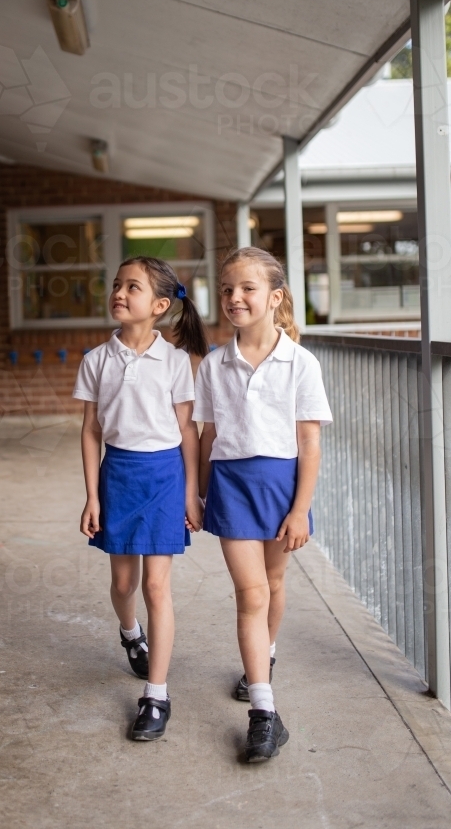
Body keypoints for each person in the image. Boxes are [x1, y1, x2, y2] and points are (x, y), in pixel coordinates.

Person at [194, 247, 332, 762]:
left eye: (247, 289)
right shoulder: (213, 364)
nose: (235, 298)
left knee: (274, 584)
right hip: (231, 486)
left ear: (274, 298)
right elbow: (207, 438)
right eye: (227, 289)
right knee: (251, 593)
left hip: (281, 486)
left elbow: (310, 442)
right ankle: (264, 713)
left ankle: (264, 657)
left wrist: (300, 509)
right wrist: (199, 492)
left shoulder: (302, 362)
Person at [74, 256, 208, 741]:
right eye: (116, 284)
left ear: (159, 305)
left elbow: (188, 433)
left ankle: (156, 695)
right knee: (124, 582)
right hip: (118, 476)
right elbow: (90, 431)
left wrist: (192, 493)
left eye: (132, 286)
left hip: (166, 477)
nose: (119, 292)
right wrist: (91, 496)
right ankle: (132, 634)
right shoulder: (96, 360)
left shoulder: (175, 362)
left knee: (157, 586)